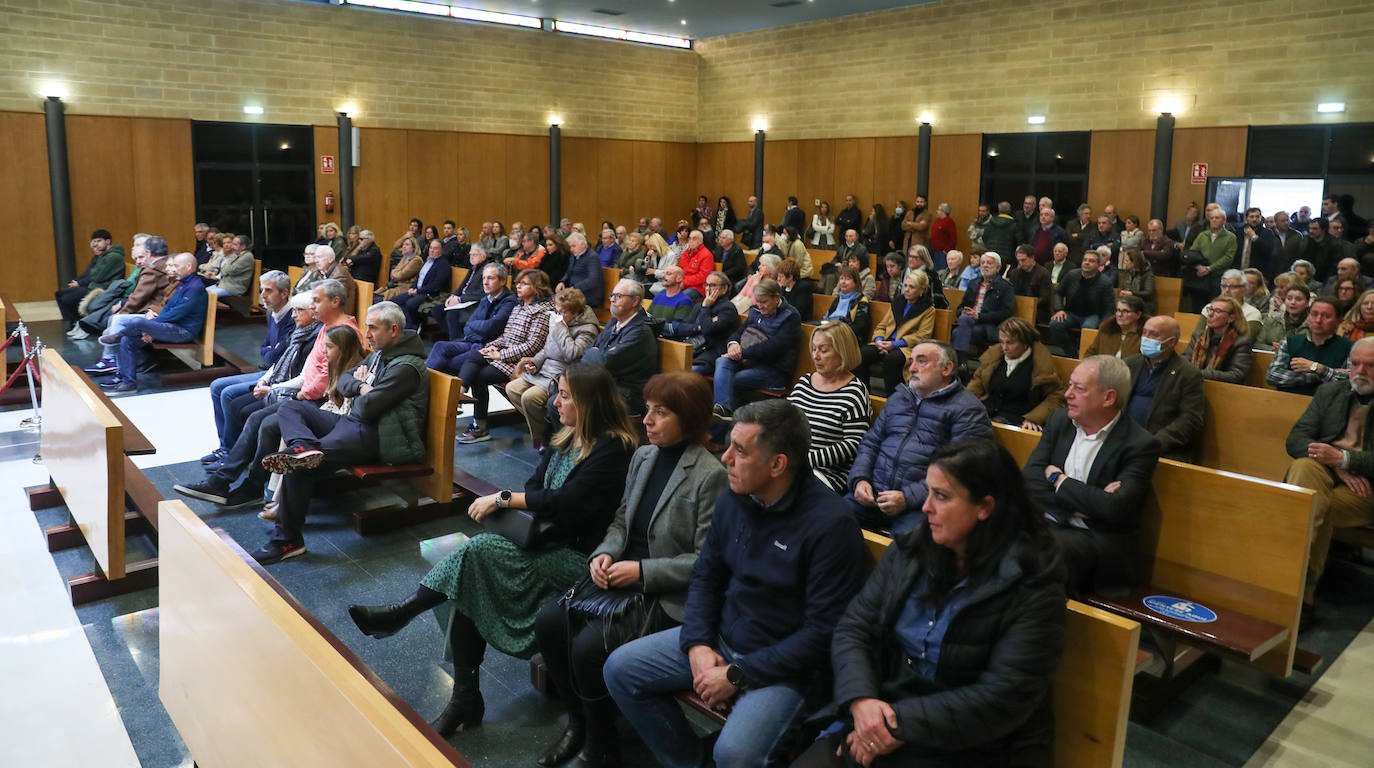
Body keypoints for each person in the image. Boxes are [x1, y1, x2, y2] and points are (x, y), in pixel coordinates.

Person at [348, 364, 636, 736]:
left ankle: (409, 617)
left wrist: (502, 499)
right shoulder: (566, 435)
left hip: (581, 558)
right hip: (544, 541)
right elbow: (536, 484)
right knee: (471, 573)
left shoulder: (614, 448)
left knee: (477, 555)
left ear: (590, 402)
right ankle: (462, 693)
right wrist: (521, 502)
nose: (556, 401)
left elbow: (567, 502)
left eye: (565, 395)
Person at [605, 398, 863, 768]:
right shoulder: (736, 496)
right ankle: (690, 761)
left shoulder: (831, 526)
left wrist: (737, 674)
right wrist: (697, 643)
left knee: (735, 753)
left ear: (777, 464)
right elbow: (706, 575)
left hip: (785, 666)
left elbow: (822, 635)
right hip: (726, 638)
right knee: (620, 670)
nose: (724, 458)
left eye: (739, 451)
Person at [793, 438, 1066, 768]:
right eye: (929, 491)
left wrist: (893, 725)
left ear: (985, 507)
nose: (925, 507)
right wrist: (862, 700)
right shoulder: (913, 548)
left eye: (942, 496)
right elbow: (855, 628)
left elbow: (1002, 696)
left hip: (971, 743)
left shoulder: (1032, 582)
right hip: (887, 708)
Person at [529, 371, 725, 768]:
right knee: (549, 622)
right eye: (648, 410)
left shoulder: (710, 475)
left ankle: (602, 744)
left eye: (661, 413)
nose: (647, 420)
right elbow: (620, 522)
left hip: (662, 593)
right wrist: (604, 553)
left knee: (588, 648)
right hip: (619, 574)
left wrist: (640, 571)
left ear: (688, 418)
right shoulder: (643, 456)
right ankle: (579, 722)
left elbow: (705, 562)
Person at [256, 301, 429, 563]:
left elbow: (368, 409)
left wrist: (357, 387)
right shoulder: (382, 352)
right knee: (291, 408)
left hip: (379, 436)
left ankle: (287, 541)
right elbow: (346, 378)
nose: (367, 334)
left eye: (372, 328)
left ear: (393, 330)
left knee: (297, 466)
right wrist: (361, 386)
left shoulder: (406, 367)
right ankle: (303, 445)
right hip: (355, 424)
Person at [172, 282, 359, 508]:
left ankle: (250, 487)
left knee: (268, 424)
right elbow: (308, 371)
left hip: (323, 402)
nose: (312, 305)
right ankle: (221, 482)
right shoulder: (326, 327)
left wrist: (296, 395)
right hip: (306, 396)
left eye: (317, 301)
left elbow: (323, 381)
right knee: (255, 417)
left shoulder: (343, 331)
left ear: (335, 302)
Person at [1025, 355, 1163, 592]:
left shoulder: (1139, 444)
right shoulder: (1059, 421)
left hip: (1097, 540)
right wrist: (1089, 502)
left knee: (1042, 551)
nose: (1068, 394)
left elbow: (1115, 508)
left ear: (1108, 397)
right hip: (1051, 524)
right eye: (1070, 385)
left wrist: (1058, 480)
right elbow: (1029, 480)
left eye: (1078, 389)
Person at [848, 341, 993, 532]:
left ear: (946, 368)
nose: (912, 368)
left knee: (908, 550)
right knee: (830, 522)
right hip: (874, 494)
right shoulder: (899, 398)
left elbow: (961, 471)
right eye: (911, 361)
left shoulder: (968, 410)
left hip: (924, 505)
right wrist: (860, 479)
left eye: (922, 361)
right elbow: (871, 443)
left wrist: (907, 498)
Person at [1283, 339, 1374, 618]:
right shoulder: (1331, 391)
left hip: (1366, 488)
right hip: (1327, 470)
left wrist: (1347, 460)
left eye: (1370, 366)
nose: (1360, 371)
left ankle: (1286, 584)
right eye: (1355, 364)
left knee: (1310, 507)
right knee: (1304, 470)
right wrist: (1337, 464)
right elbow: (1296, 439)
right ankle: (1304, 592)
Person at [193, 270, 296, 461]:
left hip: (281, 375)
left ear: (284, 293)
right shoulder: (271, 314)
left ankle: (232, 452)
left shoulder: (292, 317)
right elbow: (266, 350)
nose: (262, 295)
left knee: (229, 393)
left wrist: (270, 351)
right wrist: (270, 351)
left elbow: (276, 356)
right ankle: (225, 447)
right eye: (262, 290)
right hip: (270, 369)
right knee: (217, 386)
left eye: (268, 290)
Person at [451, 269, 554, 444]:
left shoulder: (543, 313)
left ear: (537, 287)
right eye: (518, 283)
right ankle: (461, 398)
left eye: (524, 283)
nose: (518, 287)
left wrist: (501, 355)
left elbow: (533, 346)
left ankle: (472, 416)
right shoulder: (519, 306)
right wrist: (492, 347)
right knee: (477, 355)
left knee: (479, 376)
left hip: (523, 363)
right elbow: (506, 336)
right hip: (506, 355)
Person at [505, 287, 600, 452]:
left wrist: (561, 329)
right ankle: (547, 429)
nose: (558, 314)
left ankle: (541, 438)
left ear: (576, 312)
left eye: (563, 311)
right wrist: (535, 362)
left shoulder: (588, 329)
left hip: (562, 375)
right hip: (544, 370)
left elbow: (572, 354)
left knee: (529, 398)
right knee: (512, 388)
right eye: (557, 310)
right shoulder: (560, 320)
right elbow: (547, 348)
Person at [99, 253, 207, 395]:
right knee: (128, 340)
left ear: (189, 266)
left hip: (183, 331)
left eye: (176, 265)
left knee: (137, 321)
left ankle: (118, 335)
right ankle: (129, 382)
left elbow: (176, 314)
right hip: (171, 327)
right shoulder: (183, 283)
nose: (173, 269)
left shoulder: (195, 287)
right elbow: (168, 308)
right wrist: (152, 329)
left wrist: (151, 327)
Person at [788, 323, 872, 493]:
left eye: (823, 350)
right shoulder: (805, 382)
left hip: (829, 473)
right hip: (792, 463)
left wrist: (806, 459)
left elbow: (854, 444)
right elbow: (785, 419)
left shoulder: (854, 392)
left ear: (842, 352)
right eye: (813, 349)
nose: (815, 356)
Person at [83, 236, 175, 373]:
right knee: (114, 322)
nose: (172, 268)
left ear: (148, 253)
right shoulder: (162, 267)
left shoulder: (154, 270)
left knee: (117, 321)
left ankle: (111, 360)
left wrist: (147, 311)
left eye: (141, 256)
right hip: (156, 310)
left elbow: (138, 298)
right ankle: (113, 360)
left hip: (159, 315)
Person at [713, 279, 802, 415]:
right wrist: (733, 344)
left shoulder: (790, 316)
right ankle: (723, 411)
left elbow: (774, 347)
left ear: (776, 297)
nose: (760, 306)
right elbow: (739, 331)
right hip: (748, 361)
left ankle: (729, 416)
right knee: (722, 361)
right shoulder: (755, 309)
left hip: (774, 369)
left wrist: (742, 353)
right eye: (758, 301)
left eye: (764, 302)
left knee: (735, 379)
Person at [1124, 315, 1205, 462]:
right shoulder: (1129, 364)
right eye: (1144, 332)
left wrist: (1153, 443)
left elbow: (1190, 419)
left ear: (1172, 342)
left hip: (1159, 446)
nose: (1146, 338)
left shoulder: (1188, 373)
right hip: (1123, 439)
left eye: (1153, 334)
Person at [967, 317, 1066, 430]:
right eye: (1001, 342)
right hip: (985, 414)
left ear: (1025, 342)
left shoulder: (1041, 365)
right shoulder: (993, 358)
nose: (1004, 347)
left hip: (1017, 420)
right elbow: (975, 387)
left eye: (1010, 343)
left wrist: (1035, 418)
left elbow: (1056, 397)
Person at [426, 262, 517, 376]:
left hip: (488, 347)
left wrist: (476, 327)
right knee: (439, 346)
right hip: (471, 341)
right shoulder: (486, 299)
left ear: (503, 281)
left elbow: (491, 327)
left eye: (490, 278)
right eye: (484, 278)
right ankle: (422, 381)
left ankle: (433, 386)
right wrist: (477, 329)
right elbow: (468, 326)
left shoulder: (509, 301)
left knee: (450, 363)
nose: (485, 282)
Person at [584, 279, 659, 415]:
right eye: (612, 295)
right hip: (606, 384)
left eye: (619, 296)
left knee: (576, 402)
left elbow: (606, 362)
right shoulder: (613, 323)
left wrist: (596, 352)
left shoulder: (640, 331)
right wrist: (595, 353)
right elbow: (587, 350)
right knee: (562, 395)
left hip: (627, 395)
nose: (612, 299)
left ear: (635, 301)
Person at [860, 269, 936, 394]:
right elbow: (882, 326)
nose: (906, 289)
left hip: (906, 347)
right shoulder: (898, 302)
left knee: (892, 360)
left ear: (922, 290)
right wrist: (879, 340)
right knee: (861, 354)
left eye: (912, 287)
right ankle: (863, 393)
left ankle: (893, 398)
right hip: (886, 342)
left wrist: (894, 345)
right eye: (905, 285)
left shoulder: (928, 309)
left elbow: (922, 336)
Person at [1267, 298, 1354, 396]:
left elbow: (1352, 383)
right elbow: (1273, 376)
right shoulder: (1289, 341)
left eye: (1326, 316)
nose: (1318, 320)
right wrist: (1316, 374)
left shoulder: (1350, 347)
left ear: (1339, 321)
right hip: (1288, 402)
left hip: (1329, 407)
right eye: (1314, 314)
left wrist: (1320, 368)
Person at [57, 229, 126, 330]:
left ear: (108, 241)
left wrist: (92, 274)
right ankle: (74, 322)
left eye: (99, 241)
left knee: (67, 299)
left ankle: (79, 324)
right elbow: (92, 273)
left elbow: (97, 276)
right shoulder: (103, 256)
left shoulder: (113, 257)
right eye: (94, 241)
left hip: (103, 288)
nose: (95, 244)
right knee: (59, 294)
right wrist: (93, 274)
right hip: (94, 286)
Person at [1049, 250, 1114, 358]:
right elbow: (1058, 293)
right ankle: (1072, 354)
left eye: (1091, 261)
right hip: (1071, 313)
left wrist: (1103, 324)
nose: (1087, 263)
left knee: (1088, 329)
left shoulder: (1105, 282)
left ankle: (1085, 356)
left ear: (1098, 265)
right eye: (1085, 260)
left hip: (1092, 315)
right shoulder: (1072, 275)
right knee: (1055, 323)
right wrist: (1059, 309)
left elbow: (1109, 307)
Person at [951, 252, 1016, 359]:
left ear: (998, 267)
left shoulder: (1005, 287)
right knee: (963, 319)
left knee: (957, 332)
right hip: (969, 321)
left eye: (989, 263)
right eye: (983, 263)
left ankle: (959, 360)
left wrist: (979, 316)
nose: (985, 265)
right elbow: (962, 305)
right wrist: (962, 311)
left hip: (989, 326)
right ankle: (961, 362)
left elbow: (1006, 313)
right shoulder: (973, 283)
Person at [1184, 296, 1255, 384]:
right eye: (1210, 309)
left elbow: (1237, 375)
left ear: (1231, 318)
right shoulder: (1199, 336)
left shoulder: (1241, 342)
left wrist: (1198, 374)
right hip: (1193, 384)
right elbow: (1184, 361)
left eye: (1217, 311)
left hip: (1224, 390)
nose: (1210, 314)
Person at [1183, 208, 1236, 312]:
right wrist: (1198, 267)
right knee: (1197, 308)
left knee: (1215, 307)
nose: (1214, 220)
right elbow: (1192, 253)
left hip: (1218, 277)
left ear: (1224, 220)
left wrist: (1209, 268)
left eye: (1217, 218)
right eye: (1212, 218)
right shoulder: (1202, 235)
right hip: (1200, 278)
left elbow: (1228, 258)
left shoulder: (1230, 237)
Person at [398, 238, 452, 329]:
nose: (432, 250)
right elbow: (419, 278)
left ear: (441, 250)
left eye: (435, 248)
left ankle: (413, 326)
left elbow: (437, 285)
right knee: (396, 300)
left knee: (410, 304)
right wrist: (412, 288)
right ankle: (409, 324)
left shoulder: (443, 264)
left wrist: (418, 291)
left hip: (430, 293)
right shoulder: (427, 261)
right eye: (431, 248)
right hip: (418, 290)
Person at [819, 266, 872, 341]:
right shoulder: (837, 299)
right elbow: (827, 317)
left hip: (849, 339)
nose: (843, 282)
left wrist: (837, 332)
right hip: (831, 334)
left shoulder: (861, 301)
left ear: (856, 282)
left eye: (847, 279)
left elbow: (860, 326)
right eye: (841, 278)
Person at [1007, 245, 1052, 324]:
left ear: (1032, 258)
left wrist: (1029, 305)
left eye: (1023, 260)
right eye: (1018, 260)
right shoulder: (1015, 273)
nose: (1020, 263)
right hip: (1018, 308)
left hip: (1038, 310)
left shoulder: (1043, 273)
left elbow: (1045, 298)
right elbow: (1011, 293)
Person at [1259, 282, 1311, 349]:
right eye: (1289, 298)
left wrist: (1287, 348)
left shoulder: (1313, 324)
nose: (1293, 302)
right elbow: (1258, 344)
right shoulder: (1273, 319)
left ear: (1307, 302)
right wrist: (1273, 349)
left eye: (1298, 299)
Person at [314, 244, 358, 313]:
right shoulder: (322, 272)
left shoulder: (340, 275)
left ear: (330, 259)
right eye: (315, 257)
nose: (316, 261)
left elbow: (334, 303)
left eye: (319, 257)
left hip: (338, 317)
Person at [1116, 246, 1156, 314]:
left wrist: (1132, 293)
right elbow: (1122, 287)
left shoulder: (1148, 274)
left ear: (1134, 262)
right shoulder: (1128, 273)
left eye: (1127, 260)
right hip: (1129, 302)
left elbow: (1148, 292)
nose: (1125, 263)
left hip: (1144, 304)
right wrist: (1123, 292)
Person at [381, 235, 422, 301]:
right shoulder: (405, 257)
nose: (404, 246)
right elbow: (394, 272)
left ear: (414, 248)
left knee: (389, 294)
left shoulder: (416, 260)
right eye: (403, 244)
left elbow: (401, 275)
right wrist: (395, 273)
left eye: (407, 244)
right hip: (398, 285)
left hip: (407, 288)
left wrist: (395, 273)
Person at [677, 230, 715, 299]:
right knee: (663, 293)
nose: (691, 241)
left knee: (680, 297)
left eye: (694, 239)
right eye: (690, 238)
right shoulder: (685, 254)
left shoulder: (707, 255)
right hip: (683, 284)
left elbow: (703, 277)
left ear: (701, 241)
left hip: (699, 287)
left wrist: (684, 282)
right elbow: (679, 270)